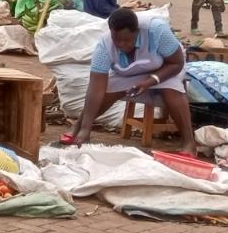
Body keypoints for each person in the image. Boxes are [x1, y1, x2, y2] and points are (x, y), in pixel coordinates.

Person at [70, 8, 195, 153]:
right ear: (111, 32)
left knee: (172, 90)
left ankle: (188, 142)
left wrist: (150, 81)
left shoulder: (156, 31)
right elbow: (95, 88)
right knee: (105, 91)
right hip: (129, 74)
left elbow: (176, 63)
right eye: (117, 40)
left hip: (165, 69)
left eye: (127, 40)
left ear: (136, 32)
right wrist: (86, 129)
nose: (122, 44)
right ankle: (79, 127)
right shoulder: (104, 46)